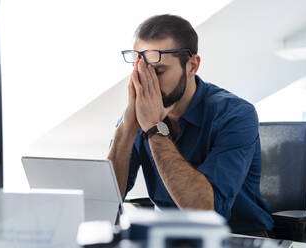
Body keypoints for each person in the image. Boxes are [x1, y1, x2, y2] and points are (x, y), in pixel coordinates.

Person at [107, 14, 273, 234]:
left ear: (192, 65)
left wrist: (154, 128)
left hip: (238, 237)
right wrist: (127, 127)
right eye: (142, 72)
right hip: (168, 237)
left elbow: (206, 213)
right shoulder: (141, 113)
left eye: (158, 71)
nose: (149, 83)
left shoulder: (235, 115)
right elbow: (105, 201)